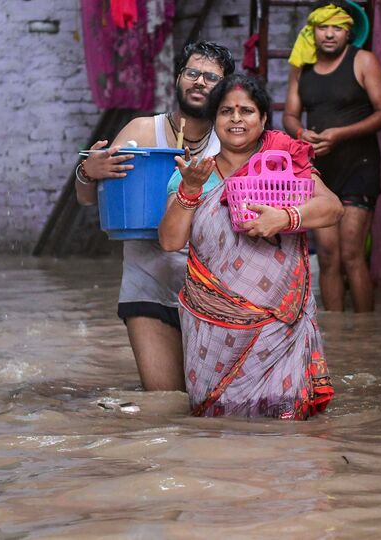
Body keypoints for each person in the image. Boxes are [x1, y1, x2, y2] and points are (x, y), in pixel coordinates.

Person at [159, 74, 344, 419]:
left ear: (262, 120)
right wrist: (188, 191)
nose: (236, 119)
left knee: (286, 429)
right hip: (211, 330)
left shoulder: (284, 168)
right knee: (217, 429)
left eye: (247, 111)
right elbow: (170, 241)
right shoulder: (195, 173)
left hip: (278, 327)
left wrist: (285, 218)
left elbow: (333, 208)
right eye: (226, 111)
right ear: (214, 120)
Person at [75, 42, 235, 391]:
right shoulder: (141, 131)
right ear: (178, 78)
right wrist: (89, 171)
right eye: (192, 73)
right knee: (163, 403)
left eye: (211, 77)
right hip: (146, 284)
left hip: (211, 292)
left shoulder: (229, 142)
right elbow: (88, 199)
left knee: (207, 404)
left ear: (224, 87)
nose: (199, 82)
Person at [283, 1, 381, 312]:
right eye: (323, 27)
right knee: (329, 257)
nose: (329, 34)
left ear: (349, 32)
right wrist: (300, 134)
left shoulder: (364, 61)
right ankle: (337, 336)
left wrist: (339, 134)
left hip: (360, 167)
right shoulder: (301, 66)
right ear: (313, 31)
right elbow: (291, 115)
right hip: (320, 171)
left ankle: (364, 337)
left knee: (351, 254)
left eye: (337, 28)